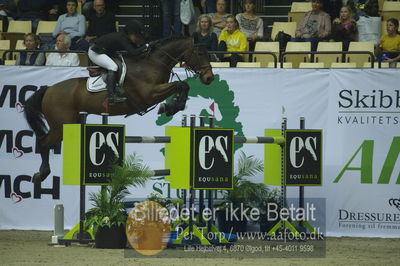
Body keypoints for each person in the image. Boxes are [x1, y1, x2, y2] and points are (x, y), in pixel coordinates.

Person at [88, 20, 146, 104]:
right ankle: (111, 96)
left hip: (104, 51)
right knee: (113, 67)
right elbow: (133, 52)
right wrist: (146, 46)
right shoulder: (122, 38)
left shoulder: (125, 37)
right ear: (129, 33)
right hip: (95, 53)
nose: (137, 38)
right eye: (136, 35)